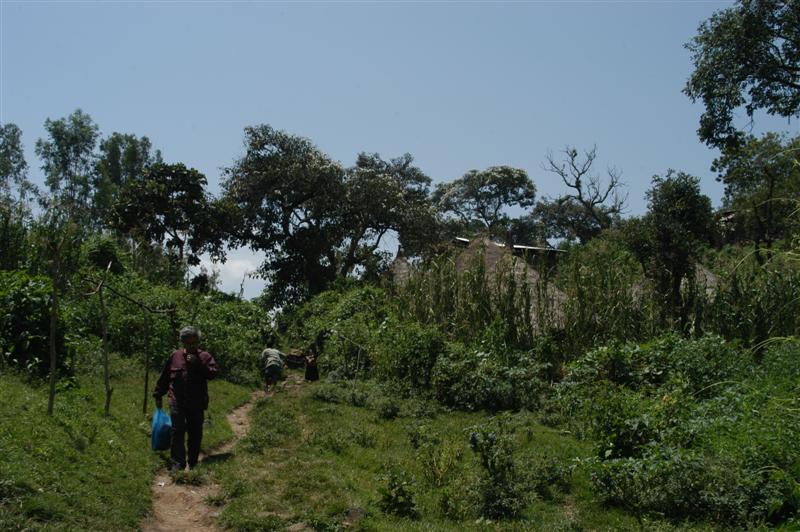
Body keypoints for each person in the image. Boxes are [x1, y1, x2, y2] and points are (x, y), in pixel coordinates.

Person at [154, 326, 218, 472]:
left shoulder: (205, 357)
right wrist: (158, 394)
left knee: (195, 432)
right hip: (176, 400)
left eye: (194, 343)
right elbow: (165, 377)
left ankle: (193, 462)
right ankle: (177, 463)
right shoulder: (175, 356)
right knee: (177, 431)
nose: (191, 346)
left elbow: (213, 374)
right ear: (182, 342)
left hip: (197, 402)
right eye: (188, 343)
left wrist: (198, 364)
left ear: (198, 342)